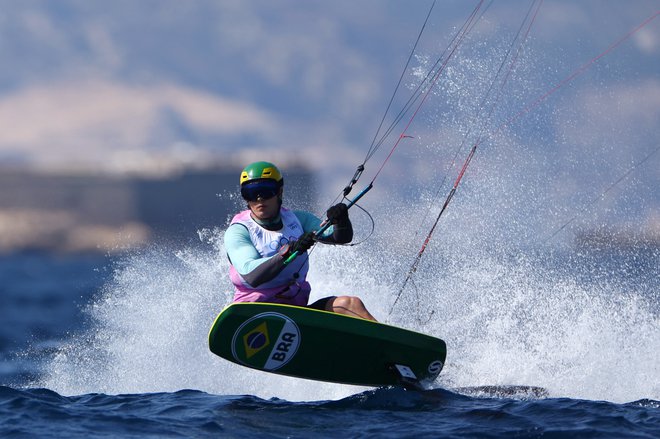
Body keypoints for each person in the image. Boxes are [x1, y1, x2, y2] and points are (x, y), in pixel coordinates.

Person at [224, 161, 376, 321]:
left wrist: (341, 219)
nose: (259, 198)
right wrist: (290, 251)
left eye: (266, 191)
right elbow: (251, 274)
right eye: (251, 192)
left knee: (350, 304)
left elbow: (339, 237)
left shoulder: (299, 220)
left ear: (279, 192)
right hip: (255, 315)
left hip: (296, 314)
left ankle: (389, 343)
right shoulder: (238, 231)